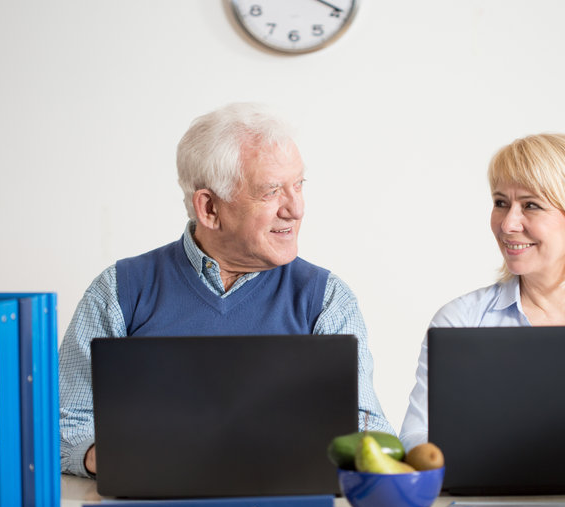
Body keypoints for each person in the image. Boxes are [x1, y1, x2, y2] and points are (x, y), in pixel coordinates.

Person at [60, 102, 393, 478]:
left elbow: (370, 431)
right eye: (271, 192)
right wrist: (115, 456)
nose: (296, 208)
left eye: (298, 185)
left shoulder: (327, 300)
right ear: (209, 208)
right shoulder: (119, 291)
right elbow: (64, 423)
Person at [399, 133, 565, 450]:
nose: (507, 224)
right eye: (501, 203)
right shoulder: (460, 320)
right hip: (491, 500)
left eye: (531, 205)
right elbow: (416, 437)